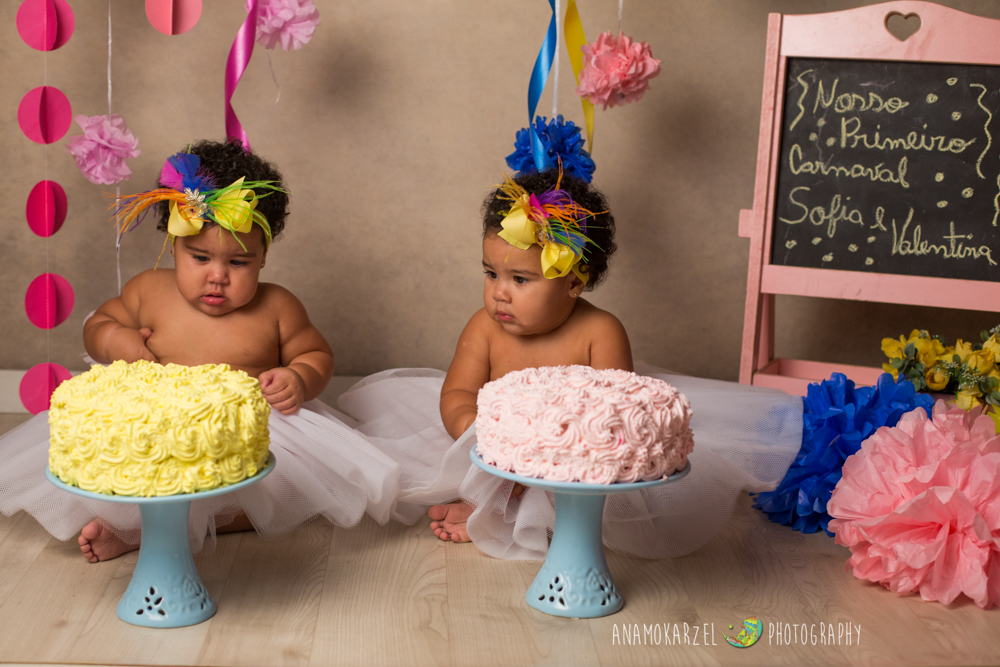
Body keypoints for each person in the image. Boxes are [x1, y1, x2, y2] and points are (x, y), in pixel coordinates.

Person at [337, 168, 804, 559]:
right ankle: (485, 500)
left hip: (579, 459)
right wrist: (485, 441)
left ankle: (518, 518)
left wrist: (543, 462)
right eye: (491, 273)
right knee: (454, 465)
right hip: (495, 444)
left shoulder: (600, 333)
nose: (499, 291)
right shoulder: (484, 327)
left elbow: (613, 419)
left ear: (574, 283)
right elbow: (457, 394)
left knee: (599, 495)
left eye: (520, 278)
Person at [0, 140, 399, 561]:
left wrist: (298, 377)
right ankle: (134, 526)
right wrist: (115, 340)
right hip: (155, 424)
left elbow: (316, 354)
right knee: (121, 473)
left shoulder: (278, 306)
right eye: (200, 257)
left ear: (263, 258)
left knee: (283, 487)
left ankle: (150, 534)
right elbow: (98, 325)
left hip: (247, 432)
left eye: (239, 263)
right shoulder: (147, 290)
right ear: (173, 247)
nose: (218, 277)